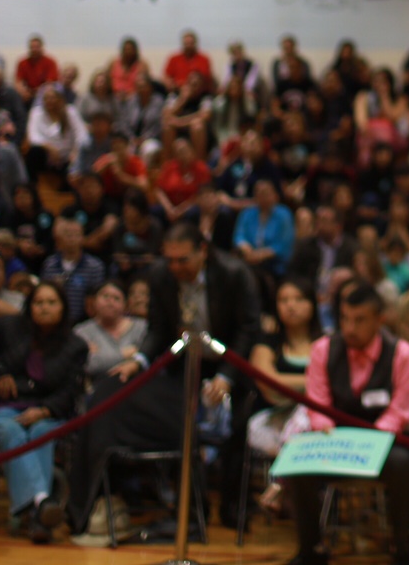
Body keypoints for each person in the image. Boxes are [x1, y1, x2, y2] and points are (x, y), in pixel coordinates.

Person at [62, 222, 261, 532]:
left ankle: (234, 510)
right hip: (182, 365)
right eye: (170, 259)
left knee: (234, 431)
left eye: (183, 260)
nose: (175, 266)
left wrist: (226, 375)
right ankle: (192, 512)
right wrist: (139, 360)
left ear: (203, 251)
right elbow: (157, 330)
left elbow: (249, 329)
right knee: (179, 427)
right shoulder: (159, 275)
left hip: (228, 362)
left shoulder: (235, 273)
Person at [283, 282, 409, 565]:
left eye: (360, 320)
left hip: (381, 441)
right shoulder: (323, 348)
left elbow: (400, 410)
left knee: (403, 464)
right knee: (295, 466)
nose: (349, 328)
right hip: (333, 438)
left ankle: (402, 547)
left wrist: (371, 441)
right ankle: (311, 549)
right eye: (344, 319)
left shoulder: (401, 353)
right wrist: (325, 427)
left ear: (379, 319)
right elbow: (318, 402)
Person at [0, 280, 87, 542]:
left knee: (42, 433)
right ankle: (42, 506)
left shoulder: (75, 345)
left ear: (63, 308)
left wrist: (45, 410)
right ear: (29, 306)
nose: (44, 308)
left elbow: (71, 390)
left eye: (51, 302)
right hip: (4, 407)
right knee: (11, 431)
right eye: (38, 302)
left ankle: (36, 511)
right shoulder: (8, 327)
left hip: (49, 412)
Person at [74, 278, 147, 380]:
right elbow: (90, 365)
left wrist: (101, 355)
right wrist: (124, 354)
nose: (110, 301)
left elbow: (146, 360)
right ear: (94, 301)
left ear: (125, 304)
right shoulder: (81, 332)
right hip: (97, 388)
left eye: (116, 298)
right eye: (105, 296)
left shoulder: (142, 327)